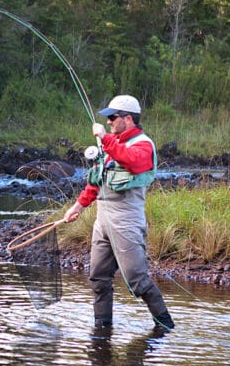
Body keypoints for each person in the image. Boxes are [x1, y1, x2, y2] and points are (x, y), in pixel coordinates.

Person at [62, 94, 175, 331]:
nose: (110, 122)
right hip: (102, 222)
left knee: (137, 280)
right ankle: (102, 330)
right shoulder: (110, 144)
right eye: (109, 119)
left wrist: (105, 139)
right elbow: (95, 182)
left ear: (129, 119)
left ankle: (165, 327)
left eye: (113, 117)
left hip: (126, 221)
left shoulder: (143, 144)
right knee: (98, 278)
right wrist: (78, 207)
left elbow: (132, 161)